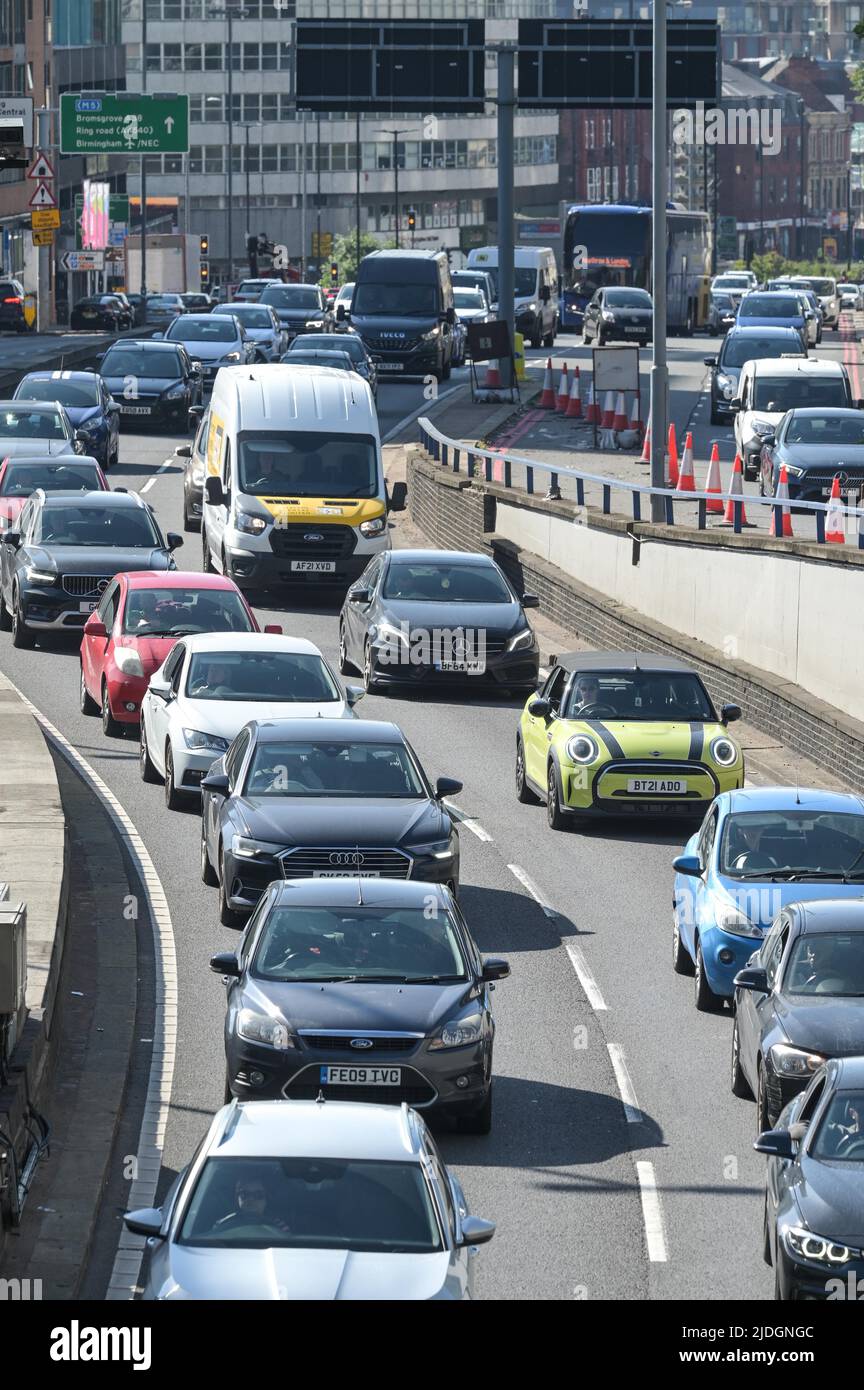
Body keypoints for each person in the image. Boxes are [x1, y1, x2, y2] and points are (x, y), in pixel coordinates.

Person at [211, 1174, 290, 1235]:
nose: (251, 1199)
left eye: (258, 1195)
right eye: (244, 1194)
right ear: (237, 1198)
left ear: (267, 1200)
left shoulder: (278, 1225)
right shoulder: (222, 1224)